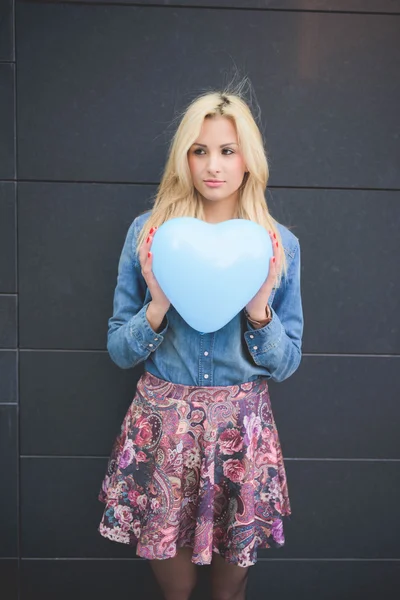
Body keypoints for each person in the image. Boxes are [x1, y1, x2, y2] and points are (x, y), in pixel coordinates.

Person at [98, 86, 304, 600]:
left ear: (247, 160)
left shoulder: (278, 244)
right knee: (177, 592)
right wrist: (159, 304)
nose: (214, 165)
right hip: (163, 429)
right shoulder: (148, 234)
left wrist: (260, 309)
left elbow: (287, 363)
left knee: (228, 594)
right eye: (200, 150)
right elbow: (120, 350)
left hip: (241, 432)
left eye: (227, 151)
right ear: (184, 158)